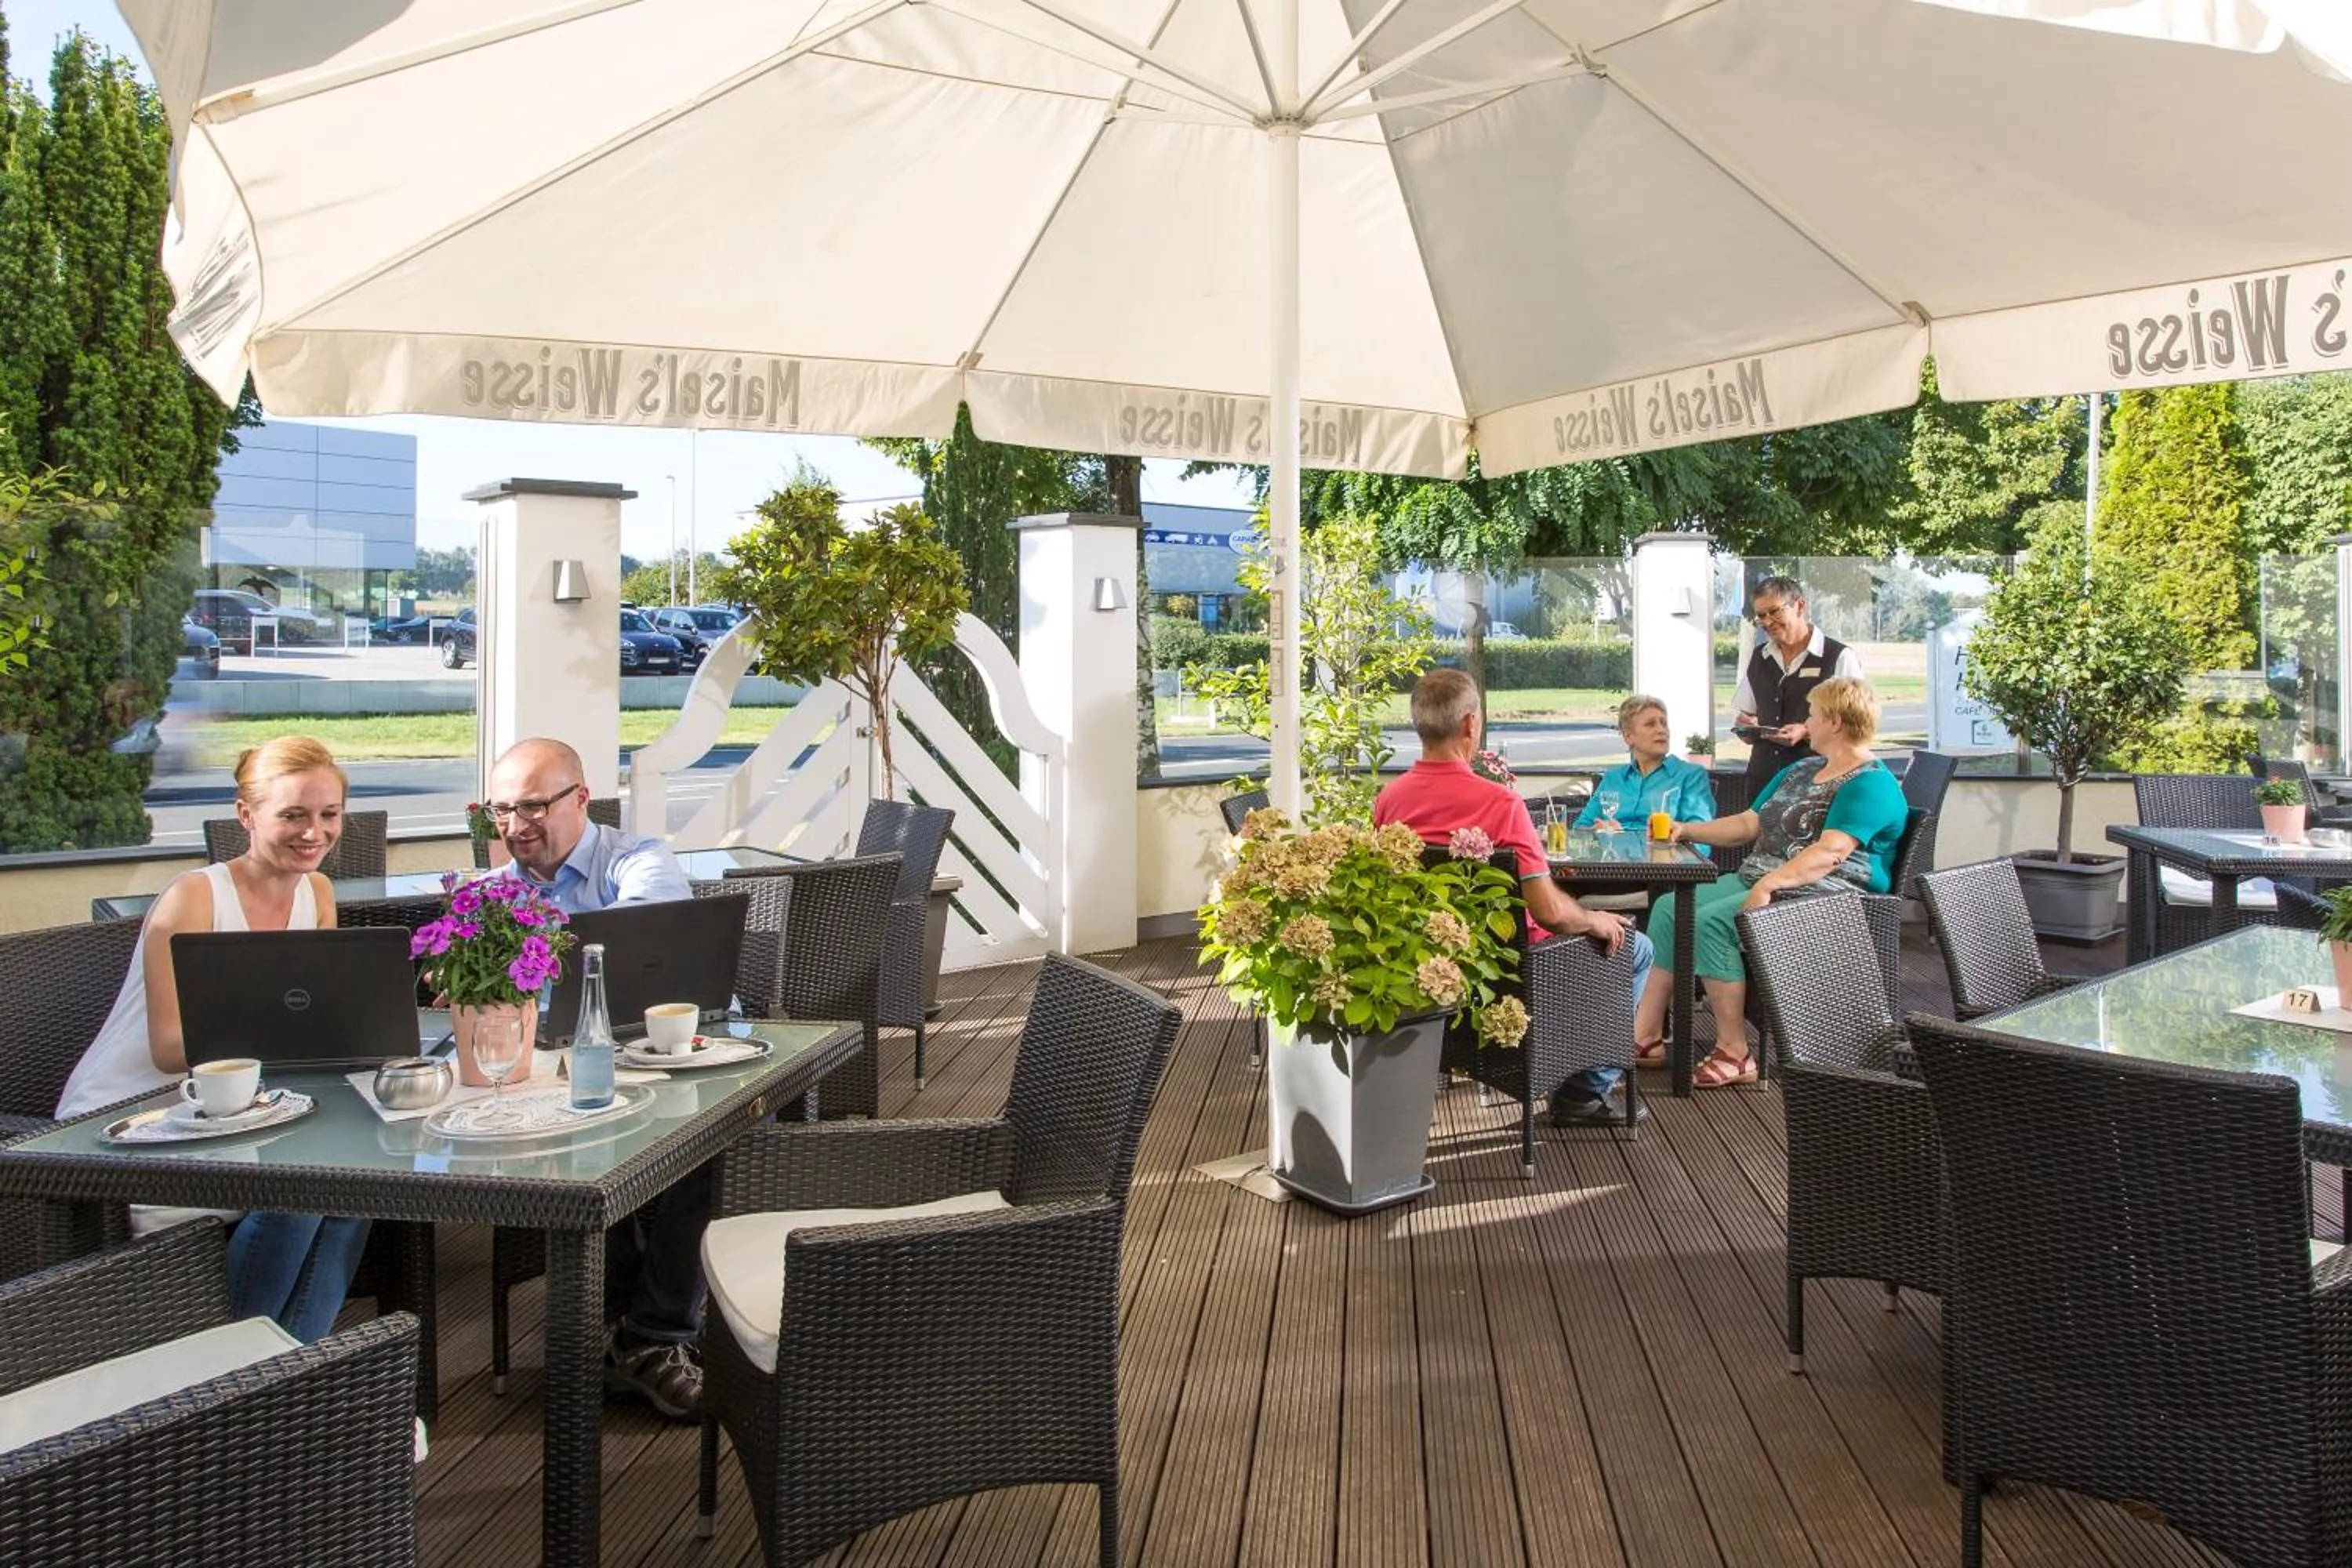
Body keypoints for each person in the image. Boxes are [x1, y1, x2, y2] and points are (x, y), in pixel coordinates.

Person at [57, 736, 372, 1345]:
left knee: (360, 1187)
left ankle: (276, 1369)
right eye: (293, 815)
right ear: (246, 815)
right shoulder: (195, 898)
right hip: (134, 1120)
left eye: (329, 814)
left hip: (237, 1111)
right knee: (304, 1188)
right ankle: (234, 1363)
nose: (315, 832)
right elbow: (170, 1050)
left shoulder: (317, 894)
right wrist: (299, 1034)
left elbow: (309, 1022)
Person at [485, 736, 705, 1418]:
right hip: (558, 1080)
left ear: (580, 799)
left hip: (665, 1061)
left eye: (532, 806)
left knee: (714, 1141)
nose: (516, 825)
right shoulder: (494, 894)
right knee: (572, 1132)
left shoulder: (637, 859)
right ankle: (637, 1333)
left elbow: (638, 944)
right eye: (500, 811)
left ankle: (645, 1331)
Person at [1374, 669, 1655, 1127]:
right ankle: (1584, 1093)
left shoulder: (1390, 800)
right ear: (1470, 724)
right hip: (1513, 964)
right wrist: (1594, 919)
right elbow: (1549, 912)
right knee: (1636, 947)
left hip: (1430, 961)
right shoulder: (1500, 803)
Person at [1635, 677, 1908, 1087]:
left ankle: (1735, 1052)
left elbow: (1830, 852)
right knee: (1670, 908)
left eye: (1813, 715)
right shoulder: (1803, 769)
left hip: (1827, 897)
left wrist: (1768, 886)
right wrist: (1687, 830)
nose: (1807, 723)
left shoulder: (1870, 783)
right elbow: (1750, 824)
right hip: (1764, 877)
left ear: (1835, 722)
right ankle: (1647, 1036)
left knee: (1712, 921)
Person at [1732, 575, 1865, 795]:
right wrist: (1746, 727)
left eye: (1775, 611)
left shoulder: (1839, 657)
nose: (1767, 622)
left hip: (1817, 784)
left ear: (1800, 606)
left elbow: (1857, 727)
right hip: (1762, 785)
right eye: (1761, 615)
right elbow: (1748, 715)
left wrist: (1806, 731)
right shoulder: (1759, 657)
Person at [1573, 694, 1717, 839]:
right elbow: (1580, 828)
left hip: (1665, 852)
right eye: (1650, 724)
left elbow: (1701, 837)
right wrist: (1597, 830)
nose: (1661, 730)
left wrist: (1623, 836)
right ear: (1628, 736)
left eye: (1664, 724)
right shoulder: (1613, 778)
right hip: (1612, 853)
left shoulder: (1690, 775)